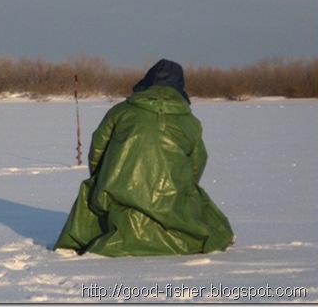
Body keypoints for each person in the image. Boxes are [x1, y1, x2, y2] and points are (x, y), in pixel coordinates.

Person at [54, 59, 235, 257]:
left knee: (91, 191)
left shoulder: (120, 111)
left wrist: (101, 181)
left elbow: (97, 151)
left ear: (147, 81)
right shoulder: (190, 121)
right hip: (170, 201)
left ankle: (115, 235)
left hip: (117, 195)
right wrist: (182, 191)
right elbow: (197, 164)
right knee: (206, 213)